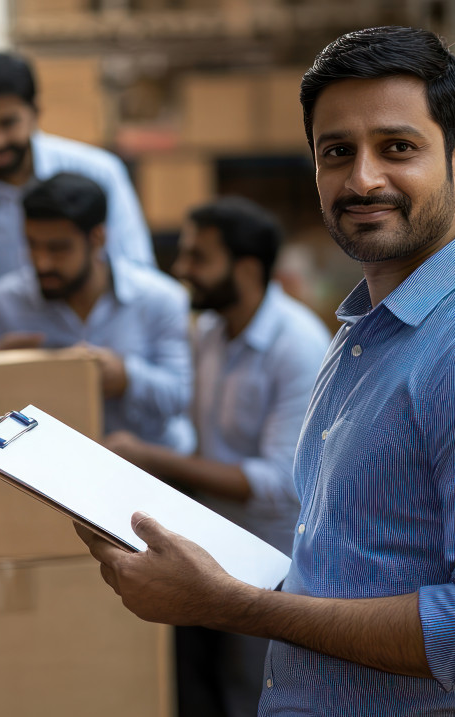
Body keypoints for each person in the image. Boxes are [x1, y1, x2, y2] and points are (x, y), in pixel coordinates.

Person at [75, 26, 455, 716]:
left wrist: (233, 605)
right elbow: (350, 566)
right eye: (336, 152)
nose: (362, 179)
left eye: (398, 148)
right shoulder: (367, 333)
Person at [105, 196, 332, 717]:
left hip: (278, 561)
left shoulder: (295, 343)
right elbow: (193, 431)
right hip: (211, 542)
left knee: (265, 691)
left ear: (247, 269)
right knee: (219, 689)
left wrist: (155, 458)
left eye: (197, 257)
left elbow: (281, 483)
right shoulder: (208, 332)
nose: (182, 270)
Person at [0, 52, 155, 323]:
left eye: (7, 123)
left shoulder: (98, 171)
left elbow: (136, 272)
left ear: (35, 112)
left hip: (91, 347)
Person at [0, 172, 192, 453]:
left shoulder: (160, 298)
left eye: (58, 248)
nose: (42, 262)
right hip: (38, 471)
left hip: (150, 473)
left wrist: (127, 377)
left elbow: (181, 397)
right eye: (32, 245)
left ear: (97, 238)